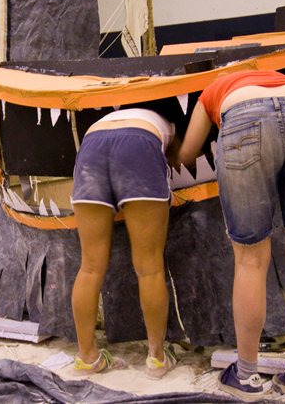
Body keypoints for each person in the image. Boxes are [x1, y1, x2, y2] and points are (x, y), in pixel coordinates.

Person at [178, 70, 285, 404]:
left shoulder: (212, 90)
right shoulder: (282, 78)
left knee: (250, 259)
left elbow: (187, 154)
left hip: (244, 119)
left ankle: (246, 376)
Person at [70, 108, 178, 379]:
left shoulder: (106, 120)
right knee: (149, 267)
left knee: (90, 268)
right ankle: (156, 358)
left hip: (90, 147)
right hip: (140, 145)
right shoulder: (170, 126)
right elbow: (180, 160)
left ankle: (87, 358)